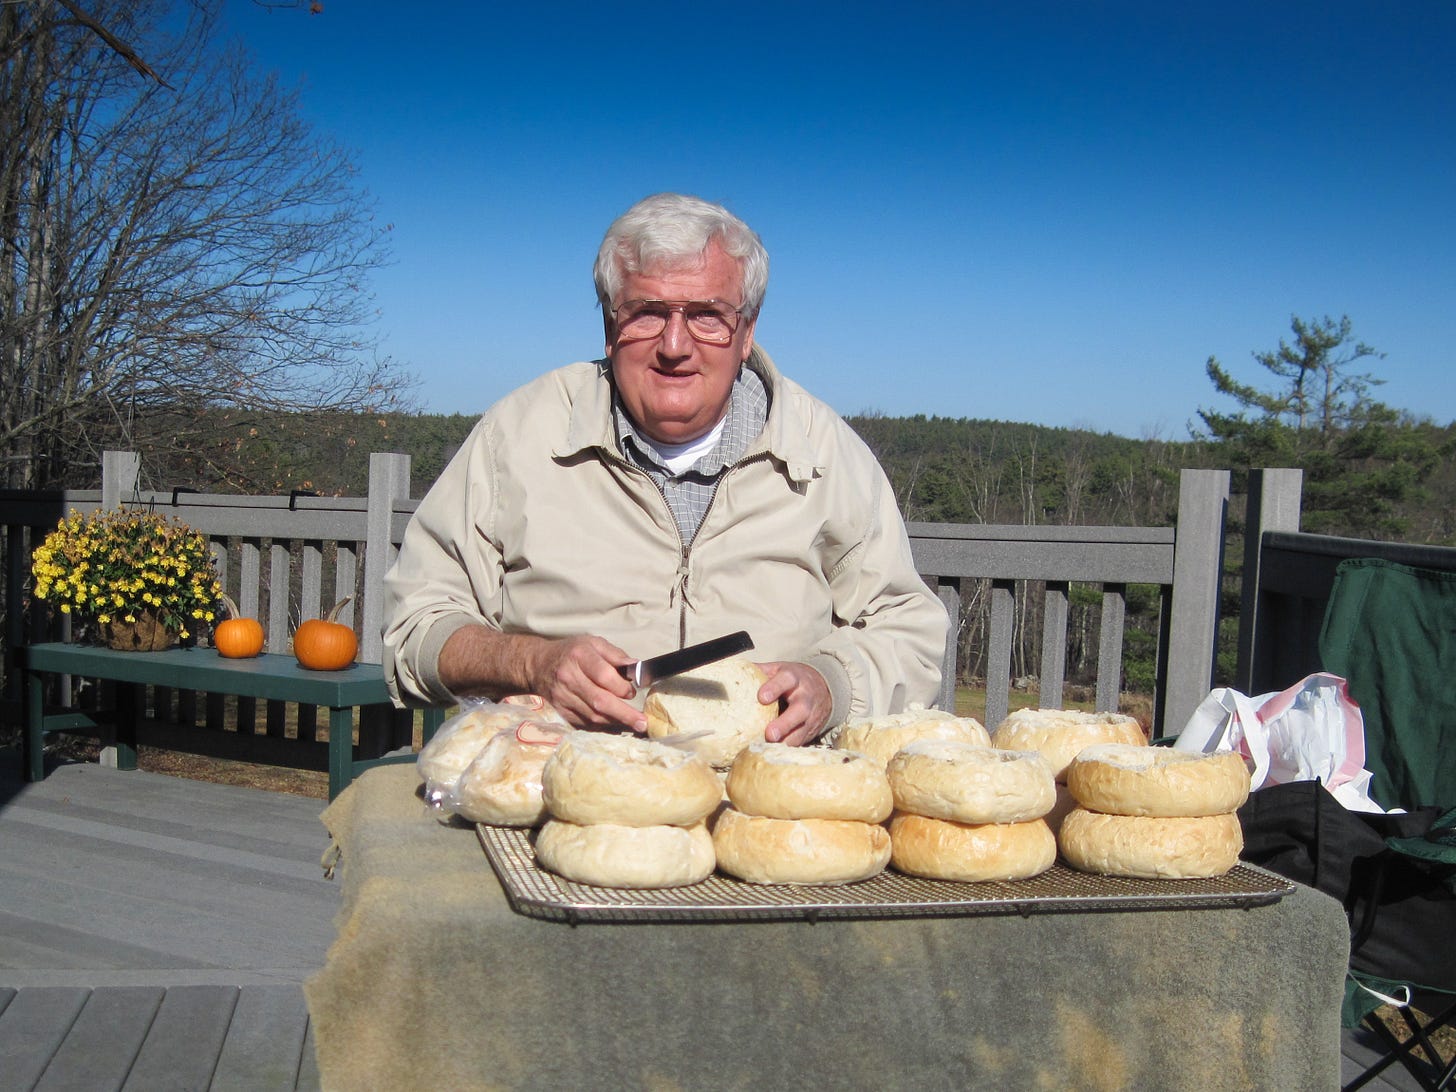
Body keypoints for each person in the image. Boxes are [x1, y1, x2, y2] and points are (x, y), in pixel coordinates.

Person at [383, 192, 946, 744]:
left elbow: (908, 626)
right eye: (646, 314)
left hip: (769, 807)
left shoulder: (825, 454)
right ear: (609, 327)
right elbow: (416, 628)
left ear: (747, 332)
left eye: (707, 316)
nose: (675, 345)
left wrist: (831, 685)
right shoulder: (518, 438)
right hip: (555, 794)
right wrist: (530, 661)